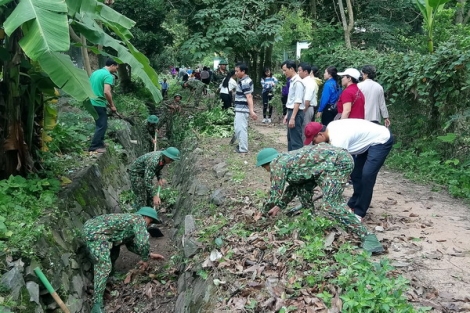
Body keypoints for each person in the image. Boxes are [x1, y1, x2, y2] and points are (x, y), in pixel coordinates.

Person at [256, 146, 384, 254]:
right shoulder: (288, 161)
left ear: (267, 163)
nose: (267, 171)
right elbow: (294, 187)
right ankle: (311, 222)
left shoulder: (277, 164)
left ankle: (368, 237)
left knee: (330, 205)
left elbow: (274, 195)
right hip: (332, 162)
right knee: (302, 189)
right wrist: (279, 207)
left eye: (264, 168)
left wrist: (261, 212)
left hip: (336, 163)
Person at [304, 119, 393, 220]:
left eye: (314, 141)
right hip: (366, 141)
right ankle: (353, 203)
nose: (314, 144)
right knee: (356, 174)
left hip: (381, 139)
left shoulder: (338, 140)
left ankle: (359, 212)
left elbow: (340, 167)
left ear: (320, 134)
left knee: (367, 175)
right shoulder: (331, 126)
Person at [85, 207, 165, 313]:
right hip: (96, 232)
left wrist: (150, 254)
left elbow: (130, 245)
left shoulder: (130, 222)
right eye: (150, 221)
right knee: (104, 265)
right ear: (146, 217)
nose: (149, 225)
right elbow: (143, 243)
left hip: (102, 231)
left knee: (114, 252)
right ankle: (97, 305)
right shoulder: (139, 220)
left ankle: (109, 277)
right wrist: (145, 259)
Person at [88, 58, 119, 153]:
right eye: (116, 68)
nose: (116, 70)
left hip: (91, 101)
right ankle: (94, 146)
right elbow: (106, 91)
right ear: (112, 65)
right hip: (98, 102)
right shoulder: (108, 75)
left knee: (101, 123)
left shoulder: (95, 73)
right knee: (102, 125)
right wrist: (112, 105)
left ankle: (100, 143)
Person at [233, 62, 258, 153]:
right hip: (240, 108)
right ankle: (241, 145)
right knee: (238, 128)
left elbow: (249, 96)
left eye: (237, 71)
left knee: (241, 128)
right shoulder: (243, 81)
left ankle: (243, 148)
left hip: (243, 109)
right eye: (235, 71)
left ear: (243, 71)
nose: (235, 73)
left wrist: (251, 111)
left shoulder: (245, 82)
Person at [281, 60, 305, 151]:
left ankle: (297, 163)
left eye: (285, 70)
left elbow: (298, 101)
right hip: (292, 111)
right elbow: (292, 100)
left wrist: (293, 117)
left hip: (296, 113)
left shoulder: (298, 82)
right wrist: (288, 114)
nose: (284, 73)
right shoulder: (292, 81)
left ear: (291, 69)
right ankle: (290, 160)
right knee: (290, 138)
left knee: (296, 141)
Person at [297, 62, 316, 141]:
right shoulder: (305, 81)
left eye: (299, 70)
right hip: (306, 108)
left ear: (305, 72)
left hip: (307, 108)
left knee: (306, 130)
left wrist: (303, 111)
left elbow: (307, 100)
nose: (298, 72)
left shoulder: (309, 82)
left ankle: (306, 149)